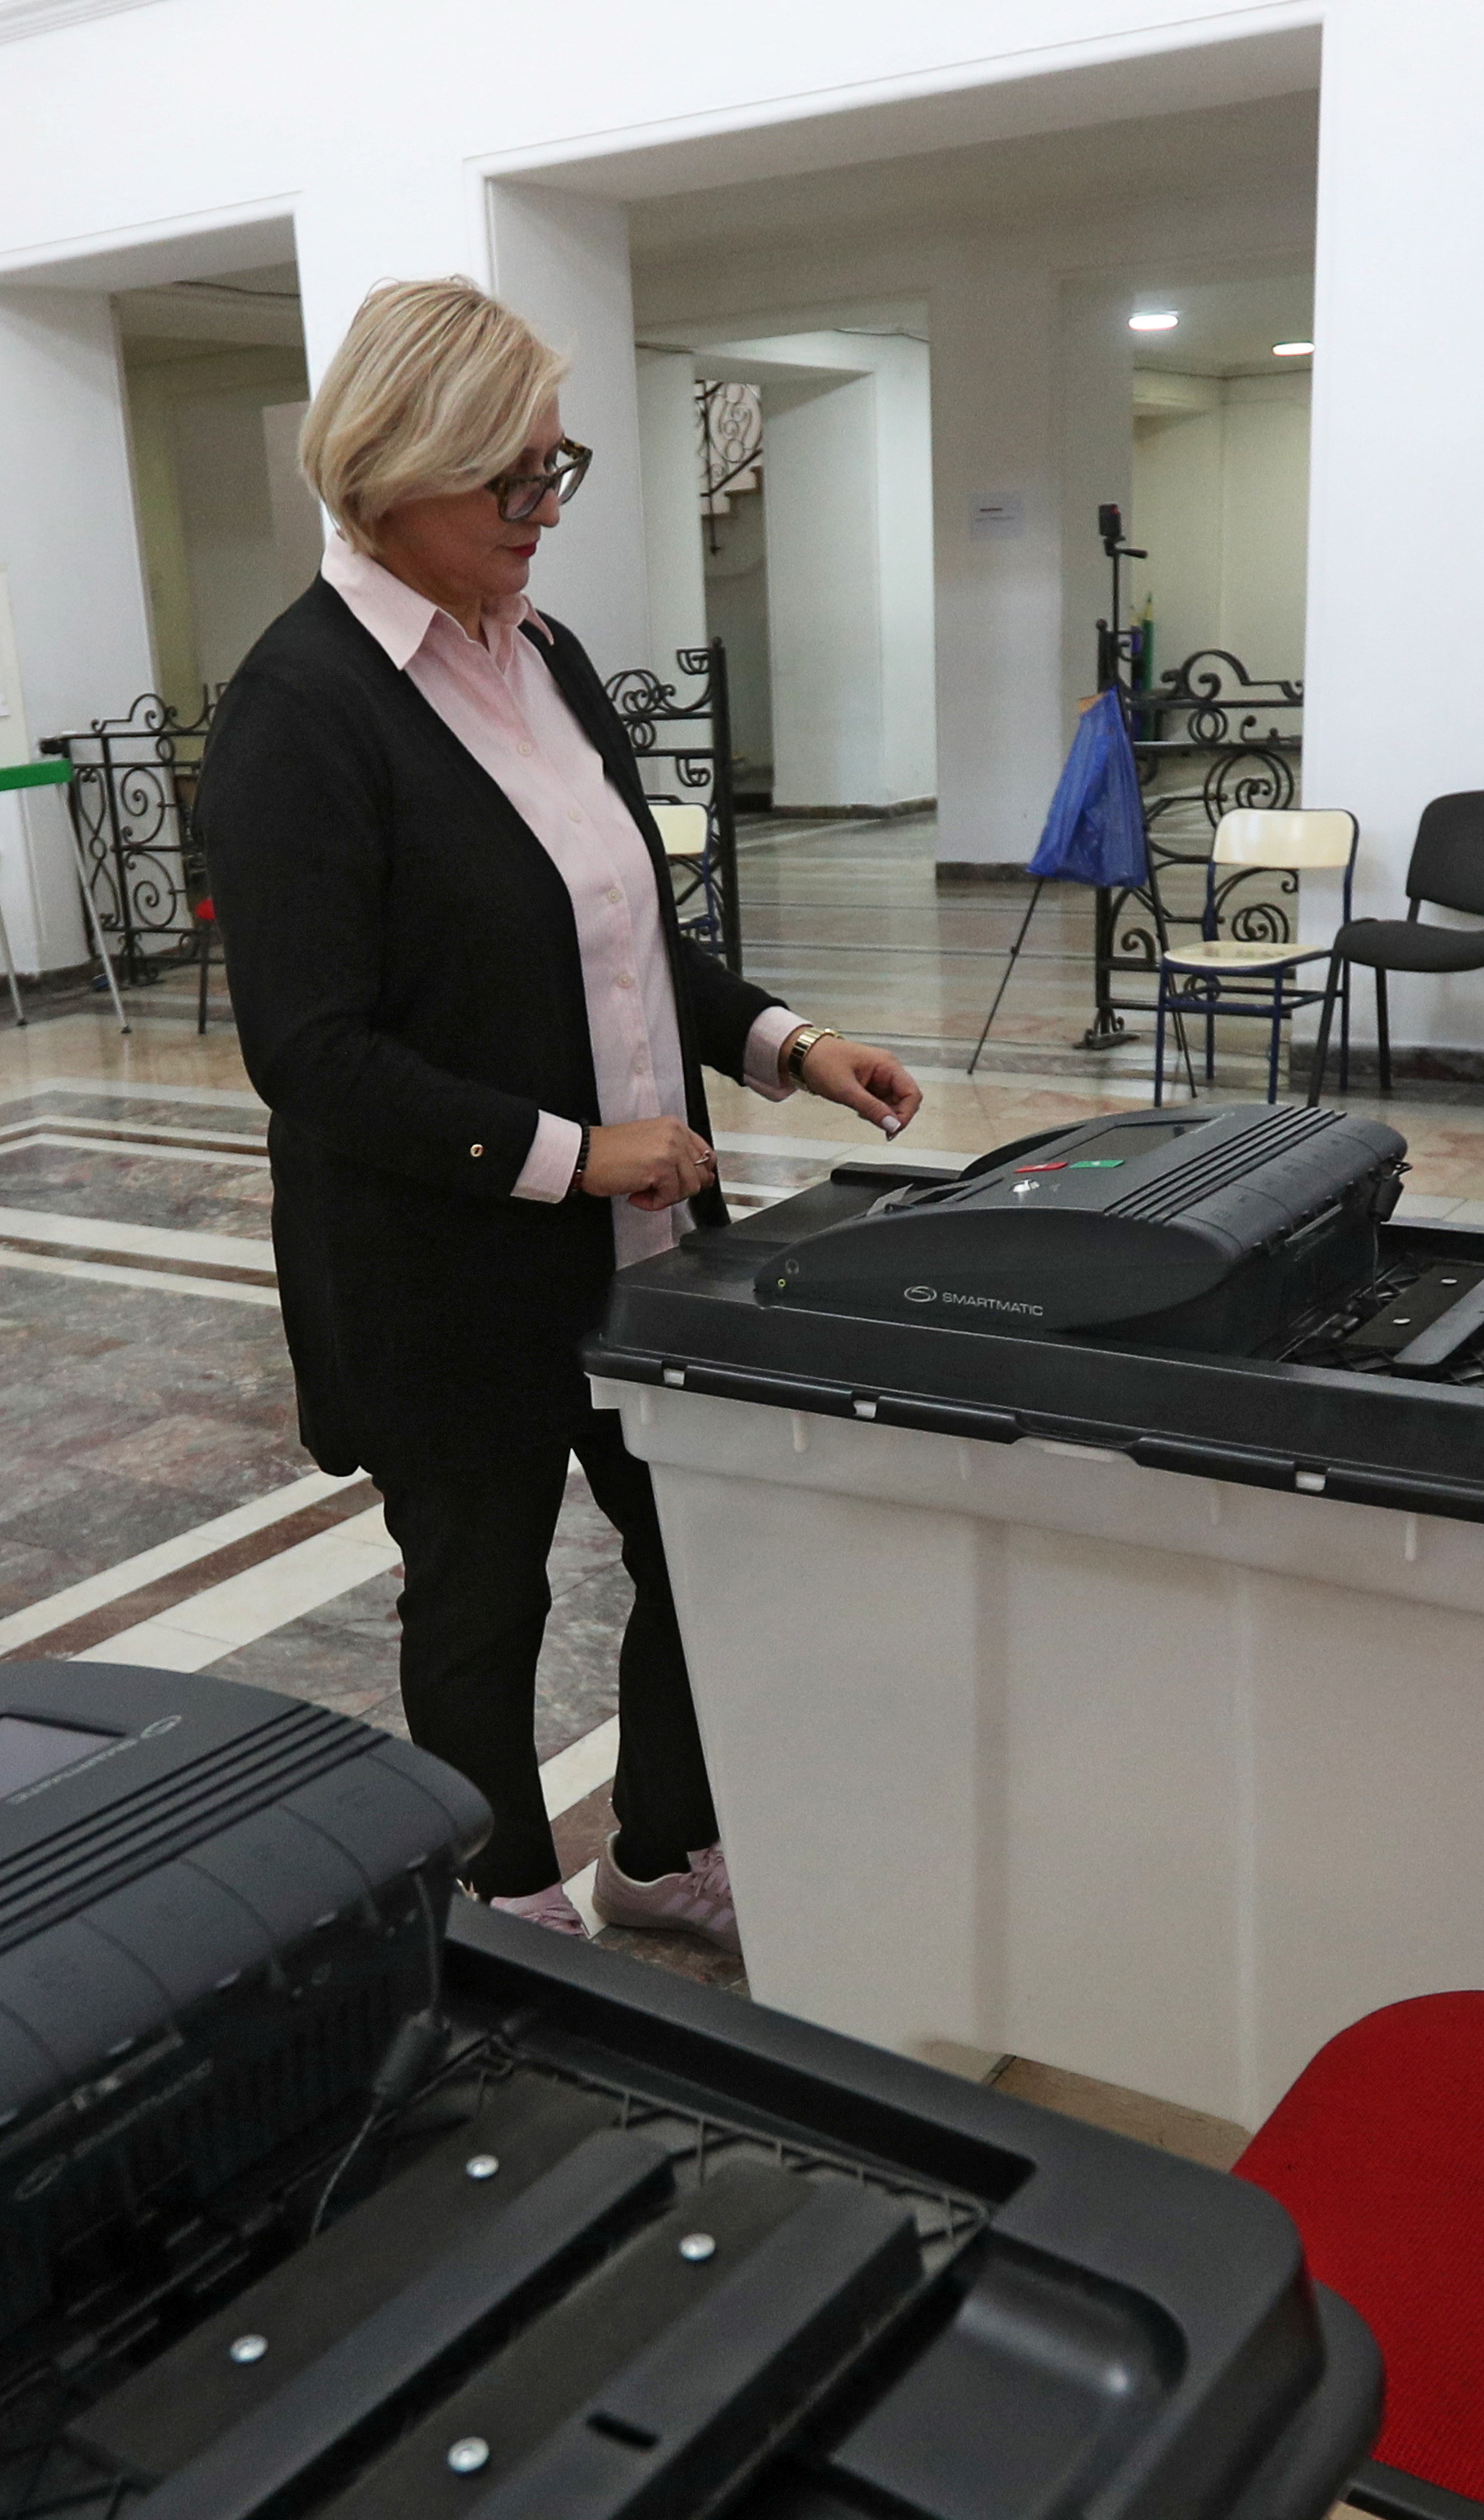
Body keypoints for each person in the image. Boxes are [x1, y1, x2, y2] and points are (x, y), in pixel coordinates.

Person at [198, 280, 925, 1944]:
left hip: (643, 1235)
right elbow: (307, 1051)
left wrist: (782, 1043)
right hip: (440, 1260)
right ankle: (503, 1902)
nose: (542, 514)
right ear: (388, 473)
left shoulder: (543, 659)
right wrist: (569, 1154)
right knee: (480, 1594)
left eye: (555, 470)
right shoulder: (300, 710)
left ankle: (659, 1850)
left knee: (704, 1546)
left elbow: (616, 930)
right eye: (507, 480)